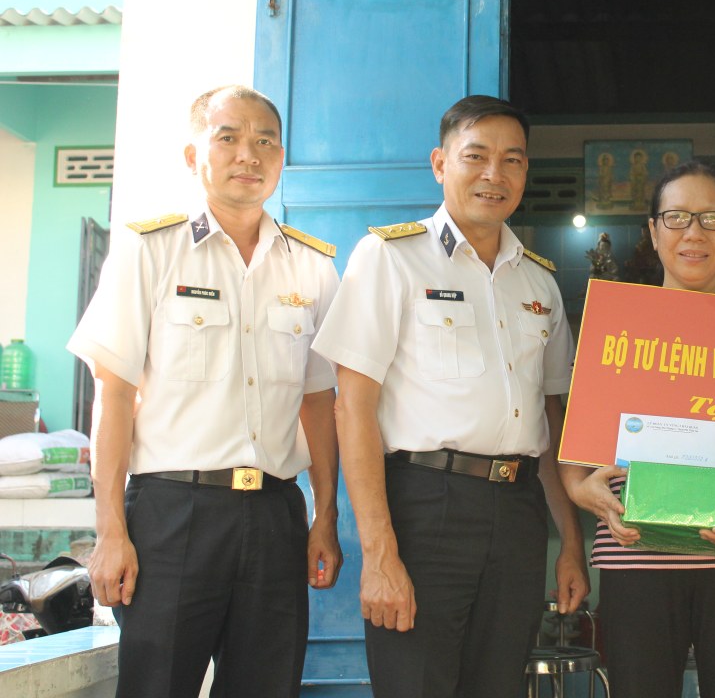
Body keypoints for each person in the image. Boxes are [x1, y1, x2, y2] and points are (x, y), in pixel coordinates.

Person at [68, 85, 343, 697]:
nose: (249, 154)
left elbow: (319, 402)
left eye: (265, 141)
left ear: (280, 159)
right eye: (229, 138)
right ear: (194, 157)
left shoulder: (313, 266)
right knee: (157, 686)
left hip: (275, 514)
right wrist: (111, 530)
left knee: (266, 687)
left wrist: (325, 516)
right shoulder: (150, 249)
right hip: (173, 513)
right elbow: (113, 396)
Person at [310, 95, 588, 698]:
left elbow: (549, 422)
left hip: (517, 515)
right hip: (424, 506)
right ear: (440, 163)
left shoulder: (538, 281)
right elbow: (351, 409)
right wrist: (379, 552)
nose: (495, 175)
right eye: (476, 156)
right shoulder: (390, 258)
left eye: (512, 160)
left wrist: (570, 544)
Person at [562, 160, 715, 698]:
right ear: (653, 230)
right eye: (677, 218)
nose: (694, 233)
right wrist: (584, 492)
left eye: (712, 219)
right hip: (635, 553)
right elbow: (574, 448)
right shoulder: (612, 327)